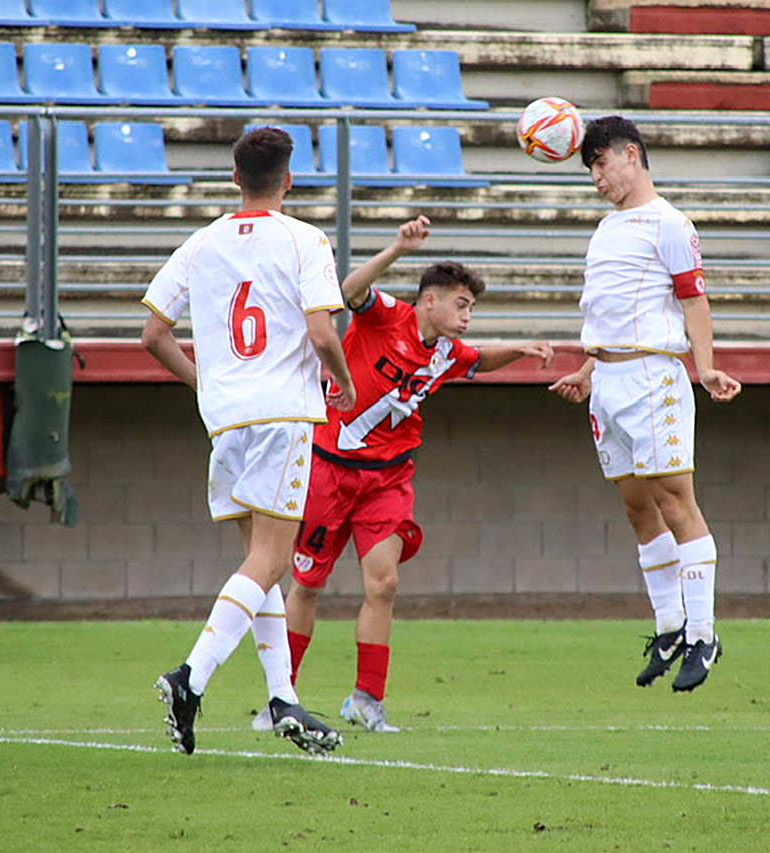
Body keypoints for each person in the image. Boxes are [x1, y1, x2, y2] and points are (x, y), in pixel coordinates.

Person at [250, 216, 554, 732]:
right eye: (461, 305)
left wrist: (521, 351)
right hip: (331, 469)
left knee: (385, 583)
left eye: (472, 308)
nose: (468, 316)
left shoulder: (448, 354)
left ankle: (367, 699)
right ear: (429, 301)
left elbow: (479, 361)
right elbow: (348, 292)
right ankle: (282, 698)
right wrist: (396, 247)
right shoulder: (386, 316)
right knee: (306, 584)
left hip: (387, 479)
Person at [140, 126, 357, 755]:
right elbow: (320, 333)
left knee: (259, 564)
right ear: (289, 180)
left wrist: (205, 383)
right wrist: (342, 383)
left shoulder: (202, 242)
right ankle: (190, 677)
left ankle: (282, 698)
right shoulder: (304, 238)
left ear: (236, 178)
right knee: (272, 560)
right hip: (282, 412)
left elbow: (152, 334)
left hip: (226, 416)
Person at [548, 116, 741, 693]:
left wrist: (703, 368)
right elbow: (608, 313)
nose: (596, 177)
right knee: (637, 507)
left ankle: (705, 635)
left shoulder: (670, 224)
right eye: (589, 169)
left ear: (631, 155)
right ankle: (669, 626)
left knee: (675, 501)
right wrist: (586, 369)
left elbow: (693, 301)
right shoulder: (607, 229)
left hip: (652, 378)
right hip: (607, 382)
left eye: (601, 163)